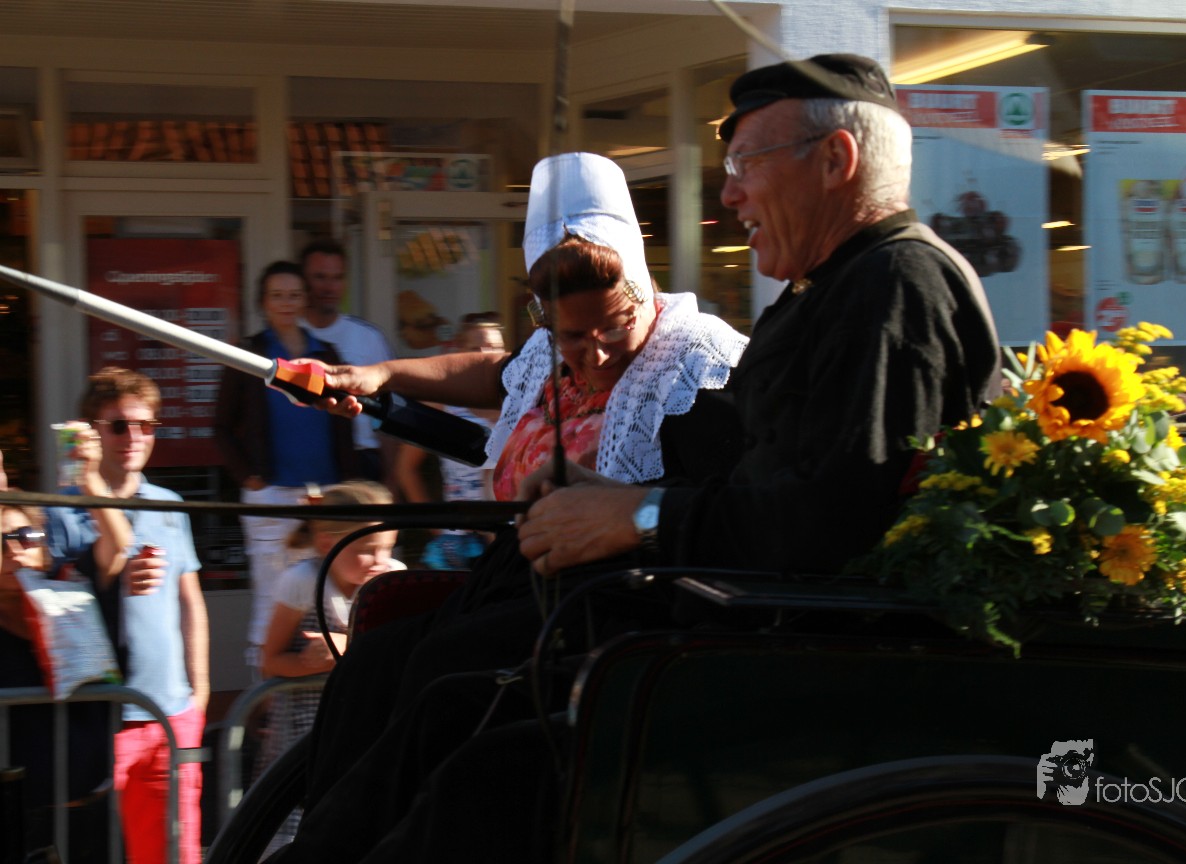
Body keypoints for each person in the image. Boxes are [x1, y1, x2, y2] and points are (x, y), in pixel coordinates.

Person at [265, 151, 749, 862]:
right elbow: (492, 372)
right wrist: (377, 376)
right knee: (373, 662)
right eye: (570, 337)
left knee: (445, 667)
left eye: (612, 328)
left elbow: (713, 509)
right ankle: (327, 840)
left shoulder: (696, 363)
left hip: (608, 600)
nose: (593, 355)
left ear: (642, 288)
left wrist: (619, 511)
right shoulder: (548, 355)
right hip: (515, 583)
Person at [517, 53, 1001, 578]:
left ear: (835, 160)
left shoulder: (895, 283)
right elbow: (765, 490)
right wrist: (615, 498)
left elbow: (830, 526)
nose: (729, 195)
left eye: (746, 164)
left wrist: (641, 516)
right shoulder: (840, 283)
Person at [46, 367, 209, 864]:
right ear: (93, 432)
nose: (134, 436)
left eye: (146, 425)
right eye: (118, 425)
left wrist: (199, 694)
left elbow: (190, 601)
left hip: (170, 712)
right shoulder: (59, 508)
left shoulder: (169, 504)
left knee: (173, 855)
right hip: (97, 716)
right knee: (81, 849)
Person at [214, 260, 359, 673]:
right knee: (271, 598)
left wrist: (347, 483)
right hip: (272, 495)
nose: (286, 303)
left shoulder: (325, 354)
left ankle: (316, 688)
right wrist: (249, 478)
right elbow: (221, 426)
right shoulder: (249, 354)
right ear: (263, 301)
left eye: (294, 294)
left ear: (305, 299)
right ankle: (262, 695)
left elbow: (345, 420)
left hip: (325, 496)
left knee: (325, 597)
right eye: (277, 295)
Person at [0, 431, 127, 863]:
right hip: (20, 817)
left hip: (93, 808)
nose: (14, 551)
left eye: (24, 536)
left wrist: (90, 478)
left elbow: (117, 546)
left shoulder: (72, 596)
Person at [258, 480, 404, 854]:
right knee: (300, 833)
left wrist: (347, 647)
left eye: (387, 548)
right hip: (306, 736)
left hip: (368, 728)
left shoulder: (393, 580)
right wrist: (311, 662)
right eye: (366, 550)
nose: (379, 559)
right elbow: (270, 661)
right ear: (327, 543)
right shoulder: (301, 582)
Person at [392, 313, 506, 569]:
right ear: (459, 353)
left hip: (509, 532)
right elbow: (406, 469)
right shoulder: (444, 404)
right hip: (460, 539)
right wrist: (437, 527)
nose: (486, 354)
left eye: (494, 347)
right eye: (475, 348)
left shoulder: (519, 402)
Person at [299, 238, 397, 484]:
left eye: (337, 277)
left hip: (361, 461)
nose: (329, 287)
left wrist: (392, 482)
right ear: (303, 280)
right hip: (304, 463)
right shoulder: (287, 336)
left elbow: (389, 413)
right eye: (320, 277)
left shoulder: (368, 338)